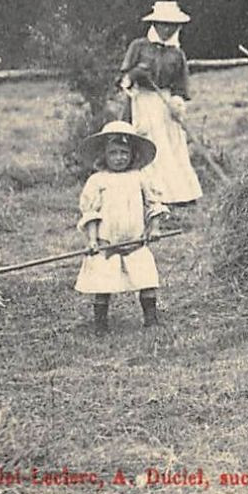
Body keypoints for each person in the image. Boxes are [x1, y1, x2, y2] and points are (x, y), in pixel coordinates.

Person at [75, 120, 169, 334]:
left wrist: (154, 228)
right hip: (107, 245)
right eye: (114, 153)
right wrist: (92, 241)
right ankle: (101, 323)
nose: (119, 158)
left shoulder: (139, 177)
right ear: (104, 155)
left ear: (132, 155)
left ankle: (151, 318)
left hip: (136, 243)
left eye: (124, 153)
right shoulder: (98, 180)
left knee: (147, 279)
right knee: (103, 285)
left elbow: (153, 203)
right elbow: (91, 214)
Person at [119, 1, 202, 207]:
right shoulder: (138, 46)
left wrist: (177, 103)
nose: (167, 29)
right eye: (162, 24)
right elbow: (123, 78)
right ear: (154, 24)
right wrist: (136, 73)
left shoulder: (177, 54)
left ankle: (177, 195)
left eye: (171, 25)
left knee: (171, 146)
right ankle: (147, 195)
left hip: (166, 106)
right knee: (147, 143)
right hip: (142, 101)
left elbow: (181, 86)